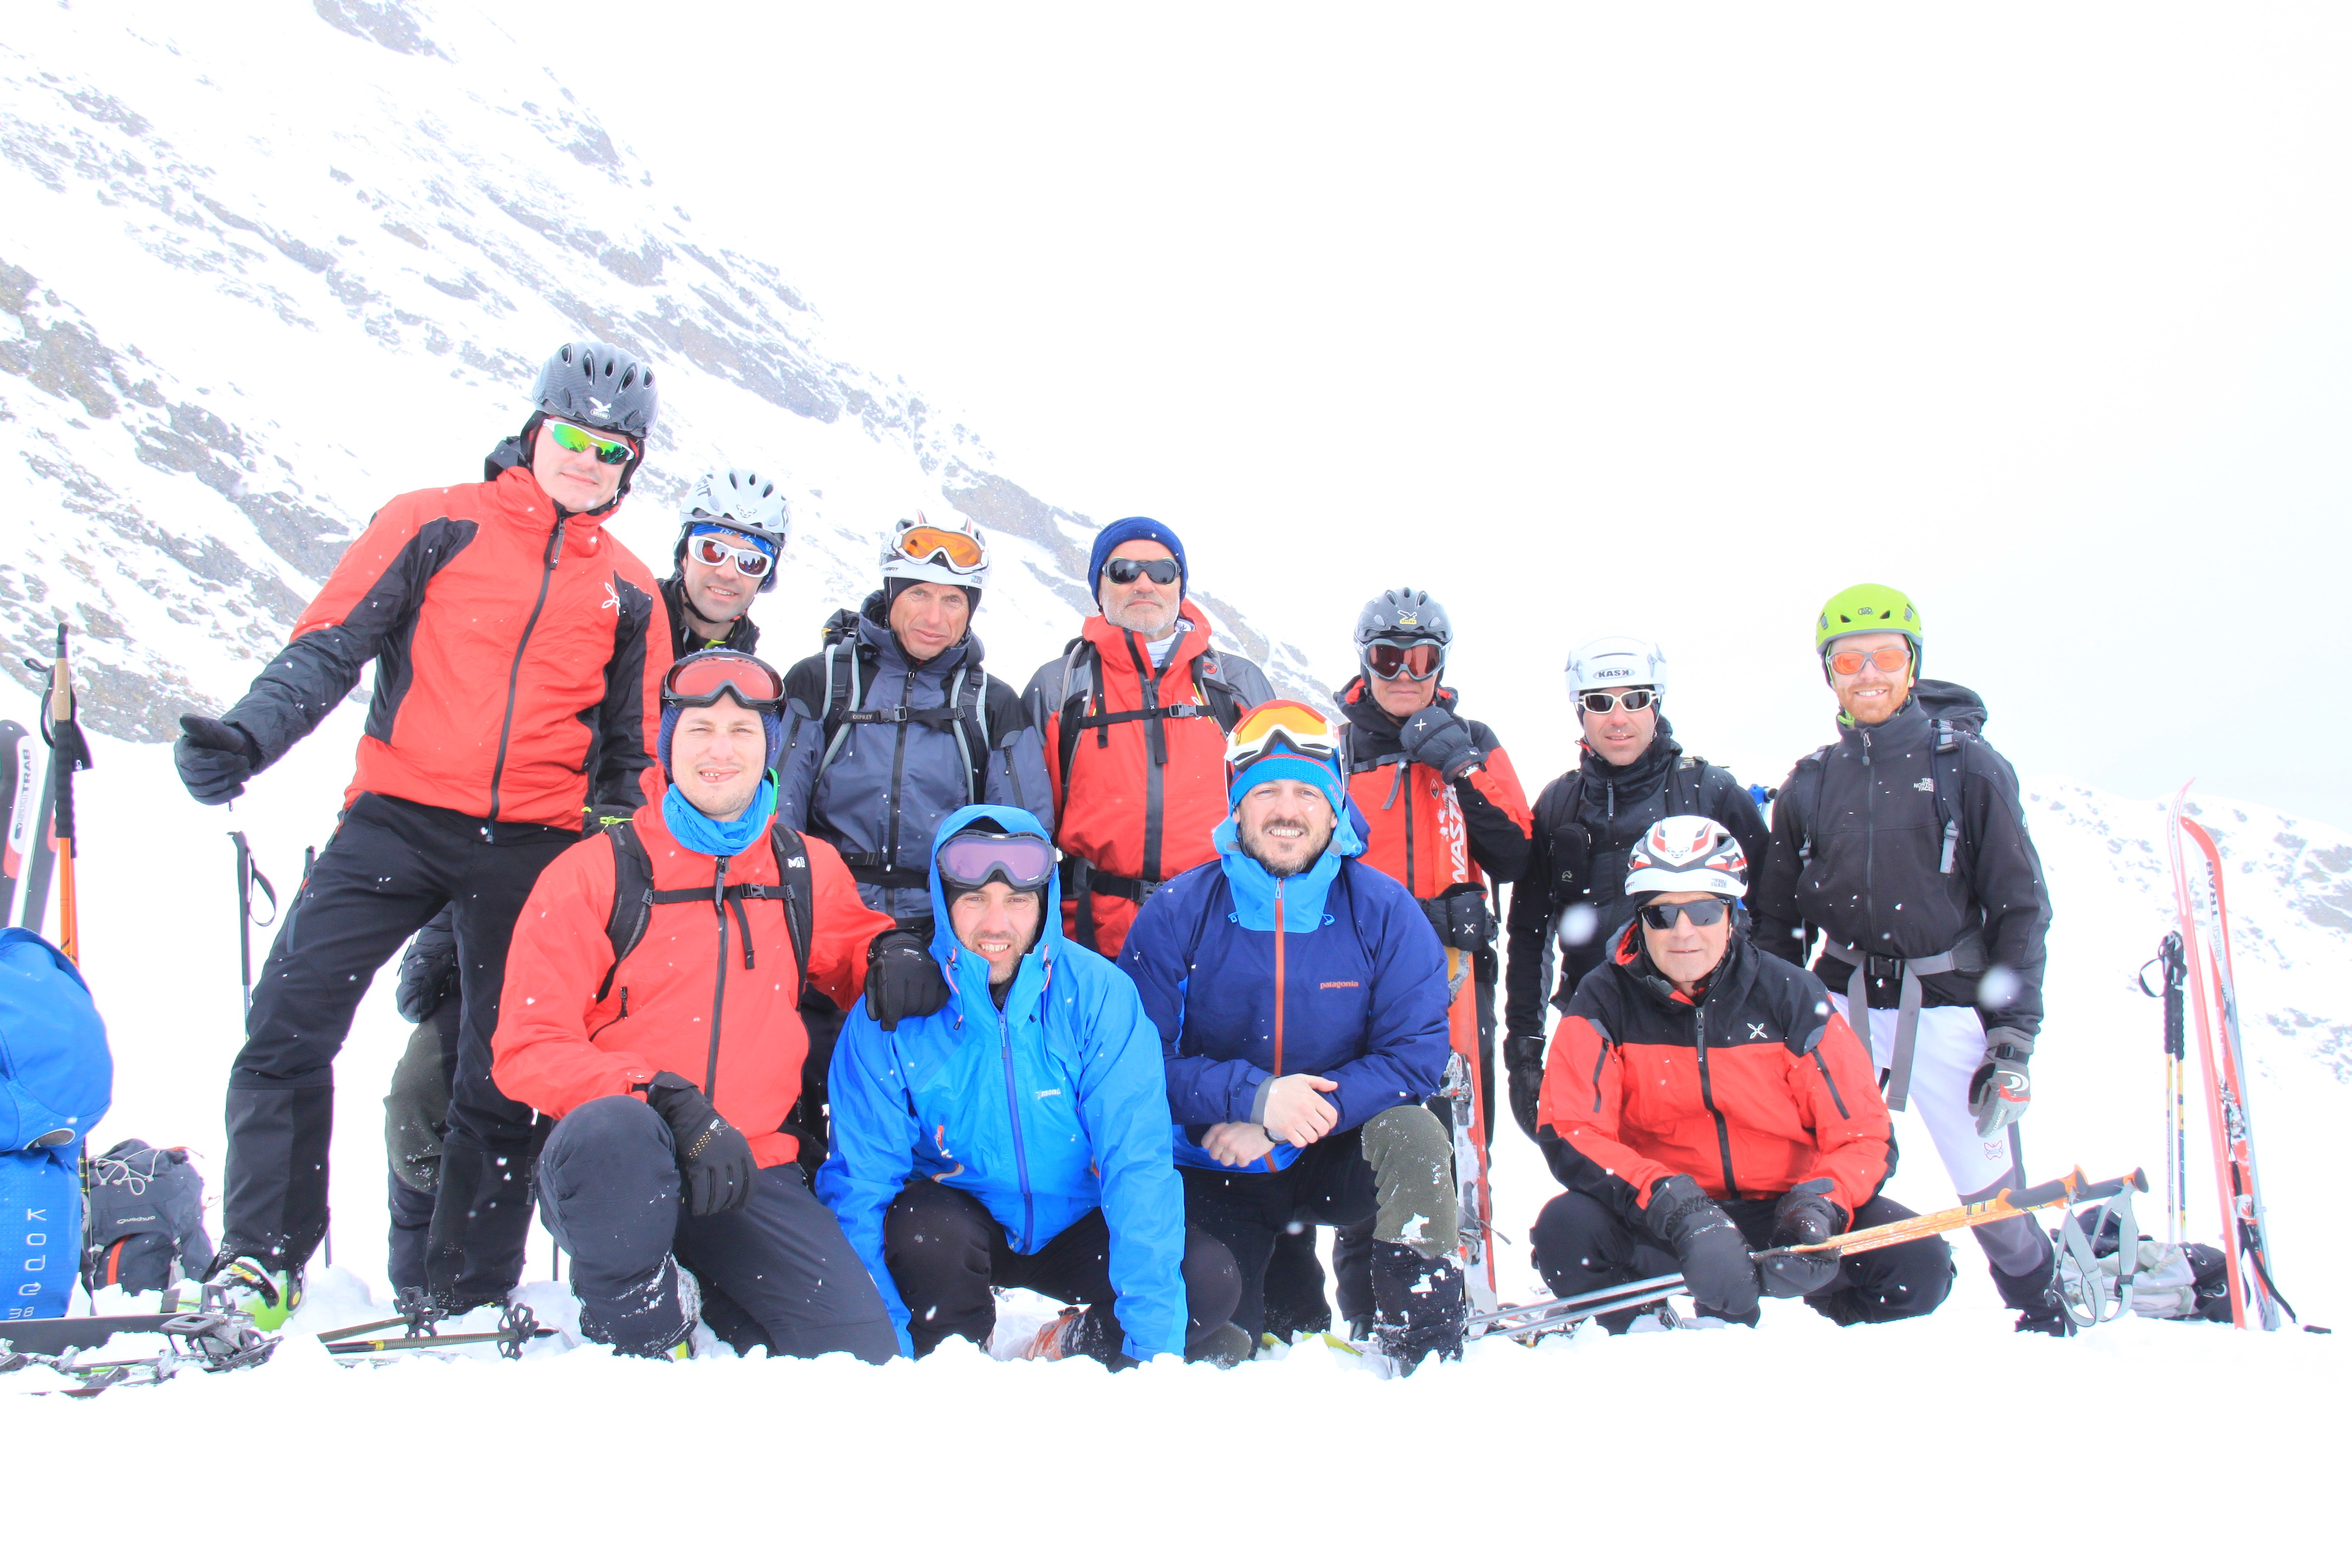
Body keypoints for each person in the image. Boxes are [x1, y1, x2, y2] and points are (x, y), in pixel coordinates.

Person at [171, 339, 669, 1321]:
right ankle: (263, 1259)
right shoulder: (432, 523)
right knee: (288, 1021)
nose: (588, 459)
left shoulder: (631, 591)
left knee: (503, 1069)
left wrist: (618, 857)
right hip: (395, 817)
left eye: (612, 450)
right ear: (533, 428)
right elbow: (332, 644)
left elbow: (632, 753)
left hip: (534, 844)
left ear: (631, 468)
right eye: (574, 434)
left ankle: (465, 1288)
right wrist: (247, 736)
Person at [489, 651, 900, 1361]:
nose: (720, 750)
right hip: (613, 1167)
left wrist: (897, 958)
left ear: (770, 748)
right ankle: (643, 1319)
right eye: (700, 729)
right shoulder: (597, 872)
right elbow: (527, 1046)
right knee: (617, 1131)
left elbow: (857, 958)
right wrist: (657, 1098)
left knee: (858, 1358)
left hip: (748, 1169)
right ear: (667, 746)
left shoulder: (802, 868)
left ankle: (707, 1295)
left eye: (743, 731)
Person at [820, 806, 1246, 1368]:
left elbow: (1137, 1166)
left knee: (1207, 1282)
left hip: (1077, 1220)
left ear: (1044, 906)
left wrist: (1151, 1359)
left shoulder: (1099, 997)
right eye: (974, 899)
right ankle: (957, 1346)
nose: (996, 925)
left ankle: (1070, 1344)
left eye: (1017, 901)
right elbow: (861, 1187)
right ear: (945, 903)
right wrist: (886, 1349)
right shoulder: (893, 1014)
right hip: (959, 1226)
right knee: (922, 1237)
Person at [1752, 584, 2061, 1331]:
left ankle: (2044, 1306)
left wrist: (2012, 1040)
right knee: (1811, 1172)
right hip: (1841, 1006)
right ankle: (1831, 1307)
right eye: (1848, 660)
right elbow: (1778, 920)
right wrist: (1770, 1020)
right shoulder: (1811, 781)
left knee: (1990, 1197)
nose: (1868, 675)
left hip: (1949, 1004)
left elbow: (2021, 907)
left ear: (1913, 665)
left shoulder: (1969, 768)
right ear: (1828, 674)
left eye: (1886, 657)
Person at [1120, 701, 1464, 1368]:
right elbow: (1135, 1065)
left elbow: (1415, 1057)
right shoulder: (1175, 914)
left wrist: (1283, 1121)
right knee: (1221, 1342)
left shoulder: (1385, 912)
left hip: (1329, 1156)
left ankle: (1423, 1338)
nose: (1287, 809)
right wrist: (1251, 1097)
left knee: (1418, 1136)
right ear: (1236, 810)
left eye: (1307, 792)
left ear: (1334, 810)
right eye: (1266, 792)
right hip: (1215, 1162)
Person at [1532, 817, 1953, 1328]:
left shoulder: (1792, 996)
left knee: (1919, 1264)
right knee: (1566, 1231)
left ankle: (1822, 1330)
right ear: (1640, 919)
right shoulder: (1602, 1000)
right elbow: (1572, 1131)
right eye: (1662, 914)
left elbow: (1864, 1134)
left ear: (1732, 913)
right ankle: (1643, 1328)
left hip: (1784, 1215)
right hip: (1665, 1214)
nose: (1684, 933)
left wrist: (1819, 1207)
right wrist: (1678, 1209)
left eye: (1705, 911)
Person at [1266, 588, 1533, 1337]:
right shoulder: (1339, 749)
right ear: (1364, 661)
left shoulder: (1472, 738)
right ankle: (1368, 1303)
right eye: (1389, 656)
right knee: (1376, 1117)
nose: (1405, 673)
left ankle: (1464, 1280)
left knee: (1459, 1121)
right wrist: (1403, 917)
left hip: (1458, 969)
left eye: (1423, 658)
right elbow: (1310, 856)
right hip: (1364, 973)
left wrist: (1462, 770)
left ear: (1442, 664)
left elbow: (1514, 847)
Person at [774, 512, 1052, 1171]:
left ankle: (914, 1235)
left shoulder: (991, 704)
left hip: (938, 927)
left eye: (954, 600)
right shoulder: (824, 681)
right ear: (891, 593)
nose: (935, 614)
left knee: (920, 1104)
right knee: (799, 1083)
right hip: (824, 921)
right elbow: (780, 814)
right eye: (919, 594)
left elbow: (1017, 840)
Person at [1504, 636, 1769, 1144]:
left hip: (1706, 1031)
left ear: (1657, 705)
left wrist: (1765, 1024)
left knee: (1717, 1179)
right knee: (1605, 1189)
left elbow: (1774, 914)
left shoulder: (1709, 791)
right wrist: (1524, 1051)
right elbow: (1530, 934)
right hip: (1593, 1031)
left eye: (1635, 700)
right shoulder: (1559, 804)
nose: (1618, 717)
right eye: (1600, 703)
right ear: (1580, 713)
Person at [1023, 516, 1275, 959]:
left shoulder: (1233, 685)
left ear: (1180, 587)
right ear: (1099, 588)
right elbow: (1026, 824)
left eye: (1161, 572)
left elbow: (1281, 808)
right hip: (1089, 939)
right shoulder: (1061, 687)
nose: (1144, 584)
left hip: (1219, 929)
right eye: (1123, 571)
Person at [384, 912, 458, 1297]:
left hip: (577, 1001)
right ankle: (422, 1283)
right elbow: (414, 997)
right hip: (471, 995)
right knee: (414, 1112)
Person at [664, 468, 788, 662]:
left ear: (765, 578)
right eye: (711, 551)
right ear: (684, 554)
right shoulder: (623, 623)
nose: (727, 573)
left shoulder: (752, 676)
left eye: (751, 563)